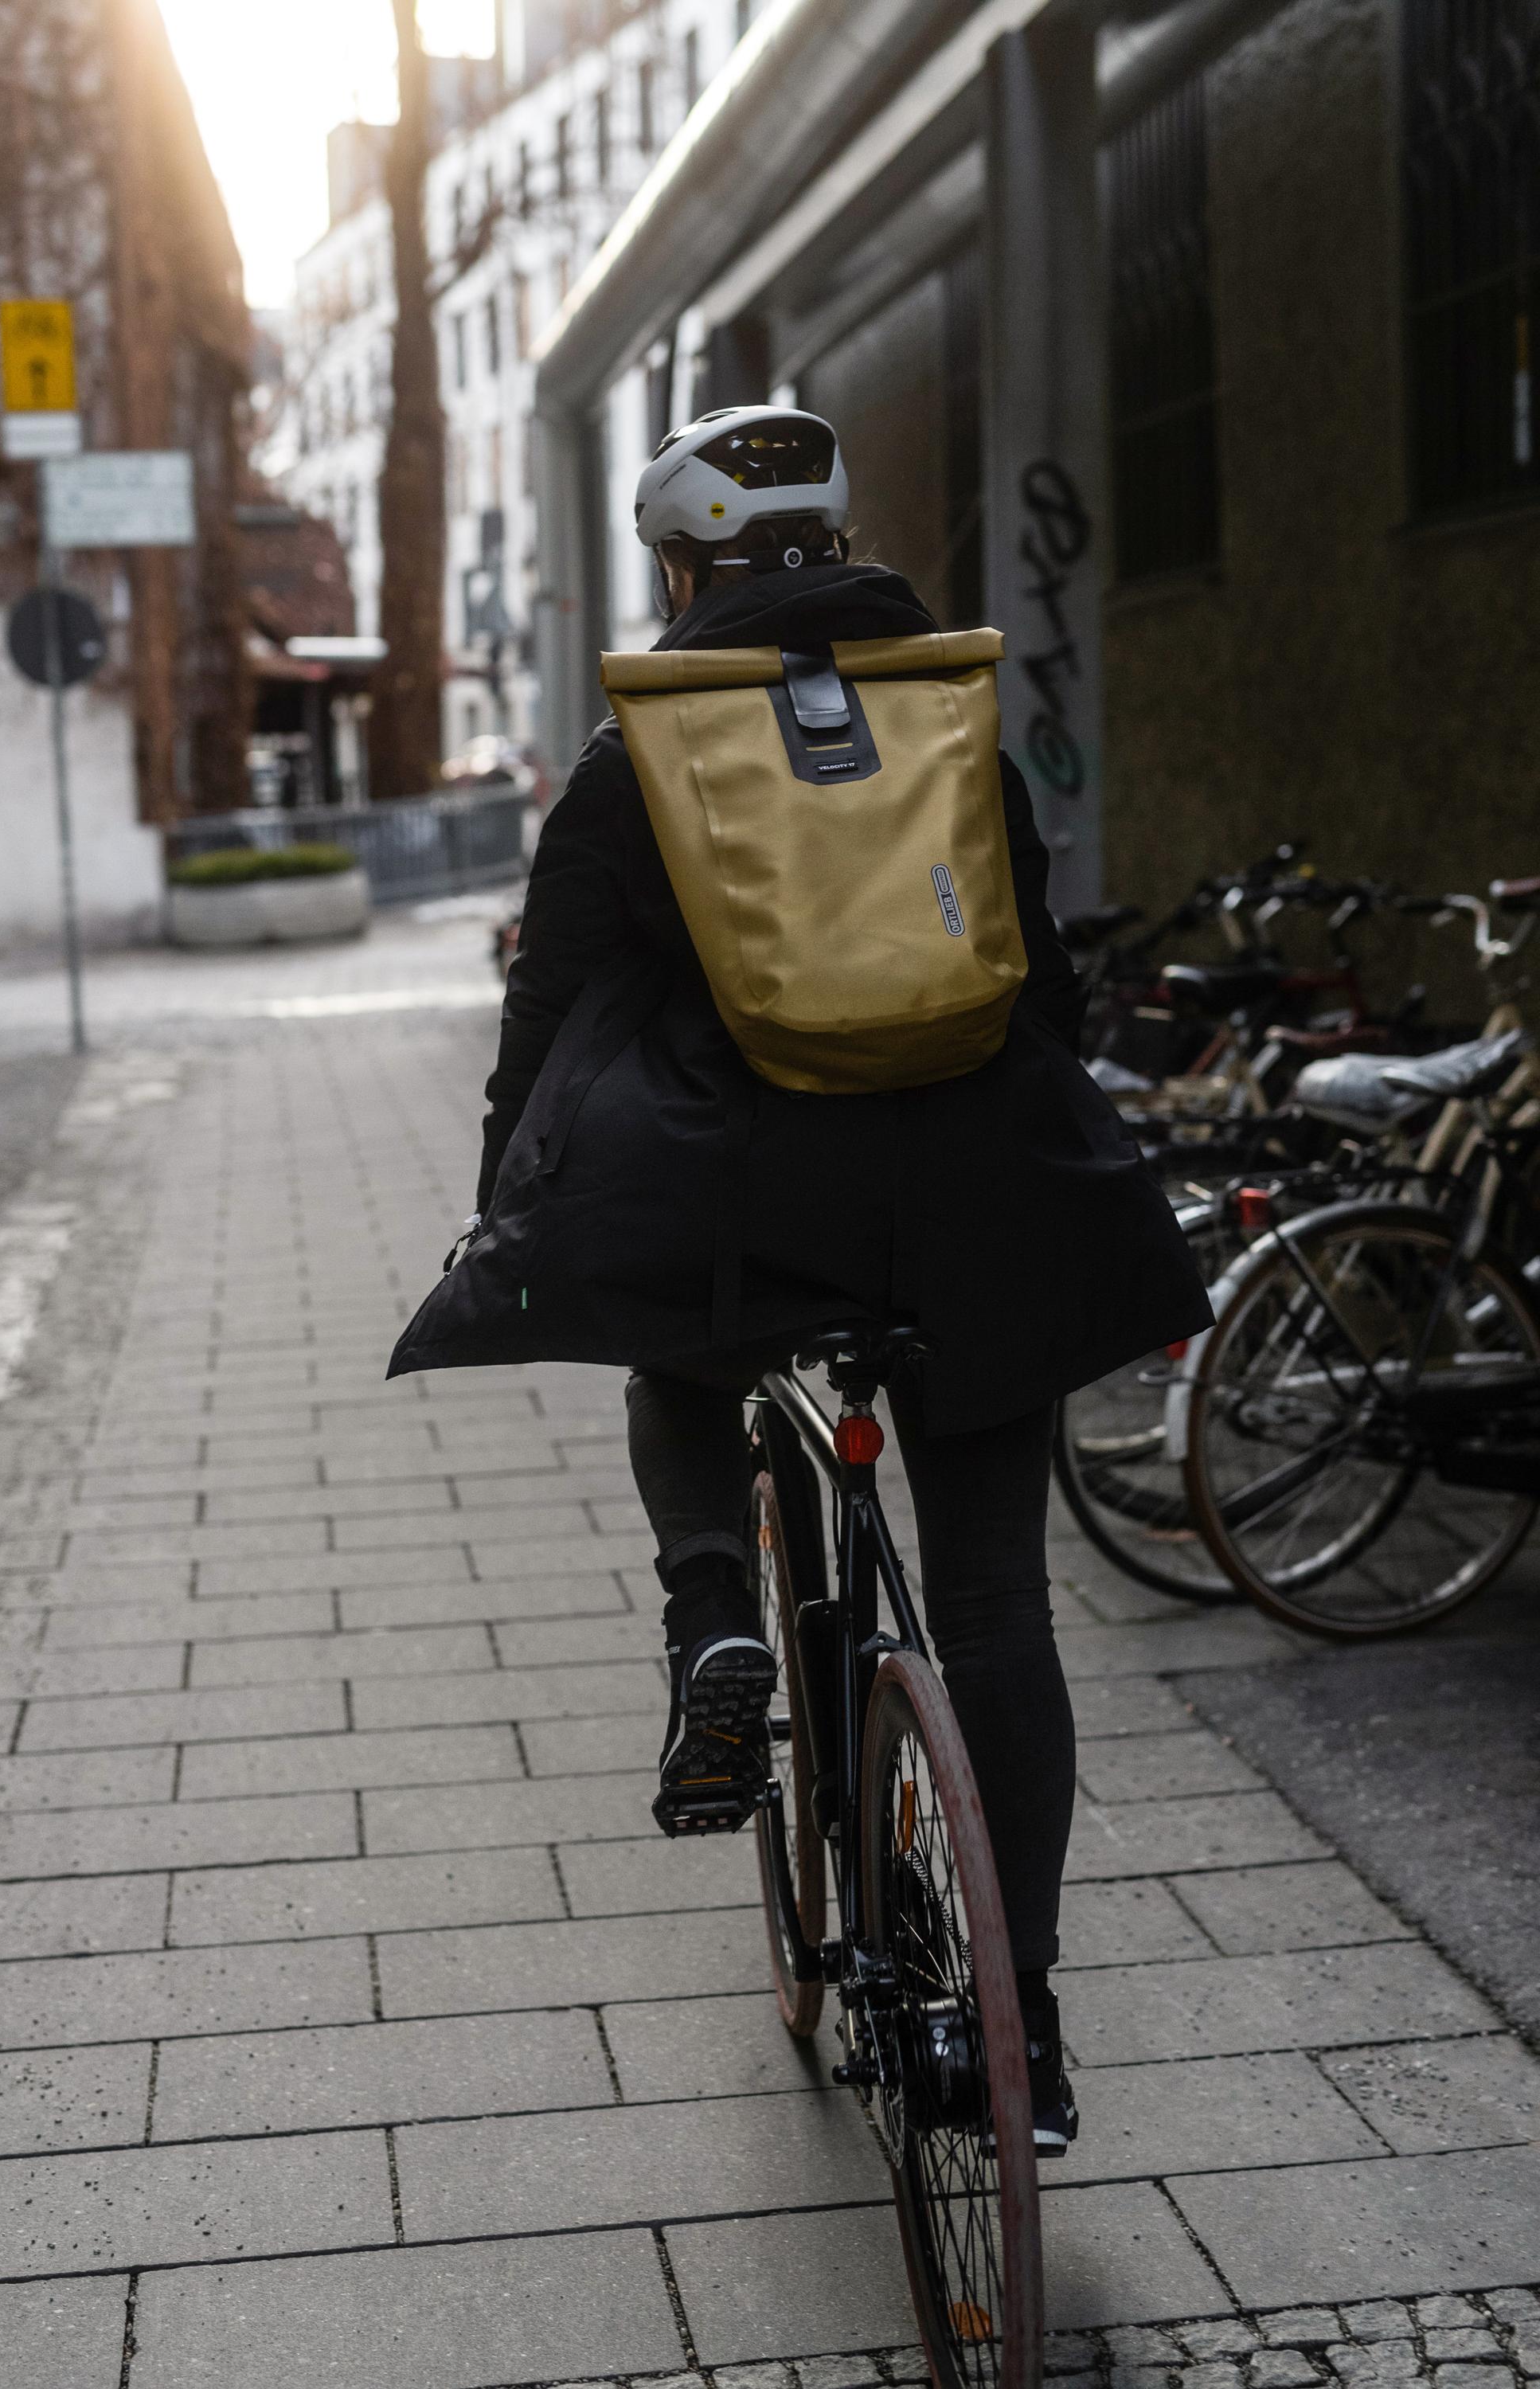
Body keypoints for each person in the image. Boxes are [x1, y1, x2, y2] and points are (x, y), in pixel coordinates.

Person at [389, 405, 1213, 2155]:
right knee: (996, 1610)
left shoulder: (636, 751)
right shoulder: (949, 715)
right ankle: (1022, 2039)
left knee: (677, 1359)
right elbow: (1034, 973)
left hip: (745, 1207)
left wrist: (507, 1203)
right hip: (978, 1200)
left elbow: (547, 1016)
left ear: (680, 573)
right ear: (840, 545)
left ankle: (716, 1616)